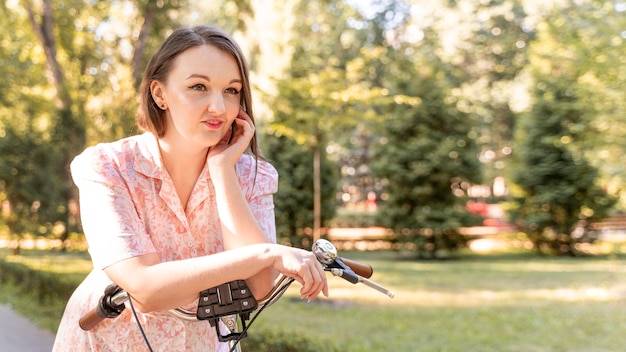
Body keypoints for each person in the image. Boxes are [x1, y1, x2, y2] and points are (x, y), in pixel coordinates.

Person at [53, 25, 328, 351]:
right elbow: (146, 288)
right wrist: (265, 253)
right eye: (199, 86)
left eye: (231, 90)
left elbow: (256, 286)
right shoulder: (108, 167)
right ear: (159, 94)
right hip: (109, 341)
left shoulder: (253, 174)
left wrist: (223, 170)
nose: (219, 107)